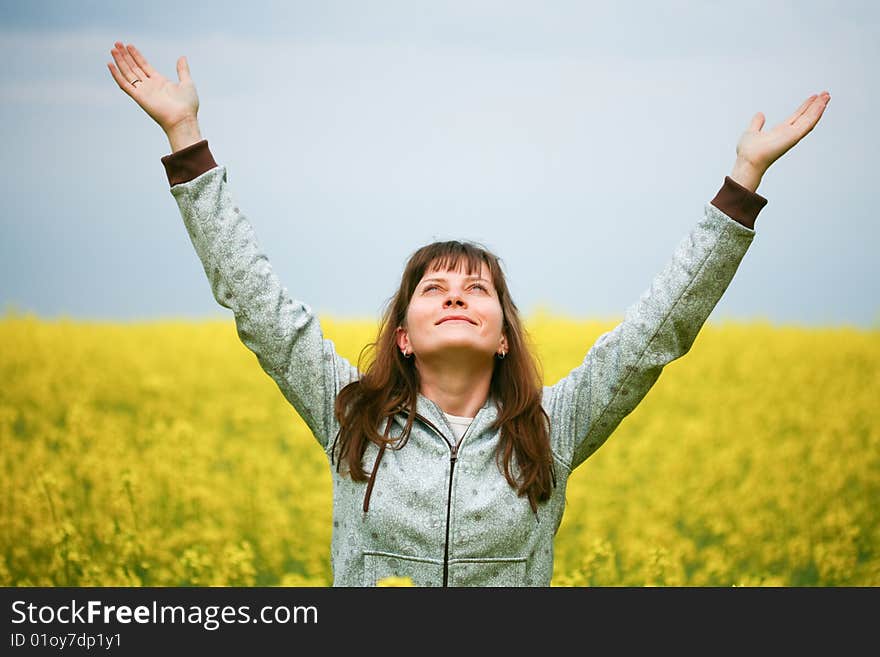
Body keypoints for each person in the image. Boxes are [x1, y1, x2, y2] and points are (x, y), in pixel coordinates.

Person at [107, 41, 830, 587]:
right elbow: (256, 302)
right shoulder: (349, 416)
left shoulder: (555, 427)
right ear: (404, 336)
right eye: (434, 287)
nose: (455, 294)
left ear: (506, 336)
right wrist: (186, 139)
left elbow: (658, 329)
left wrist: (743, 181)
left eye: (478, 288)